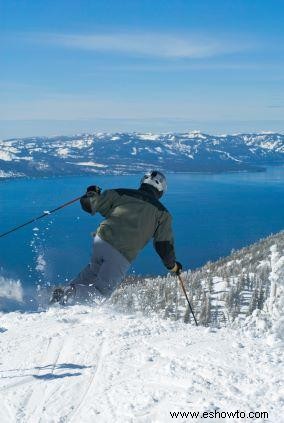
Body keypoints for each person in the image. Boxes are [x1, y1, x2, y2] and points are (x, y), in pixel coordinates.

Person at [50, 170, 182, 305]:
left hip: (101, 241)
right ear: (161, 190)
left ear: (143, 182)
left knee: (94, 271)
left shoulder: (121, 193)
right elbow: (163, 246)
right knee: (100, 293)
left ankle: (61, 299)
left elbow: (90, 204)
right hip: (121, 251)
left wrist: (92, 193)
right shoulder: (162, 214)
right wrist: (173, 267)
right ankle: (69, 294)